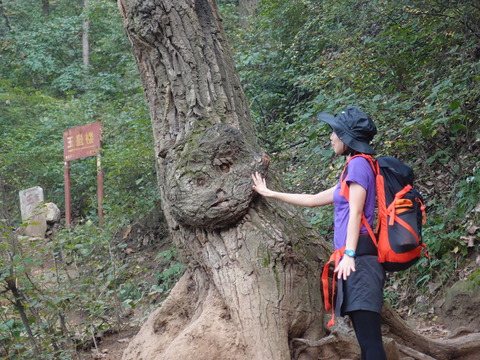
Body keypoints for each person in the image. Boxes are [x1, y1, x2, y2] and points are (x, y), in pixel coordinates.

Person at [251, 106, 387, 360]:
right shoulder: (353, 167)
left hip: (360, 261)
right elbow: (314, 199)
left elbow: (357, 213)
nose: (331, 137)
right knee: (366, 341)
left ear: (347, 137)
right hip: (355, 261)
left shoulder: (358, 166)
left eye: (335, 132)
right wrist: (271, 193)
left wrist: (348, 253)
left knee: (371, 342)